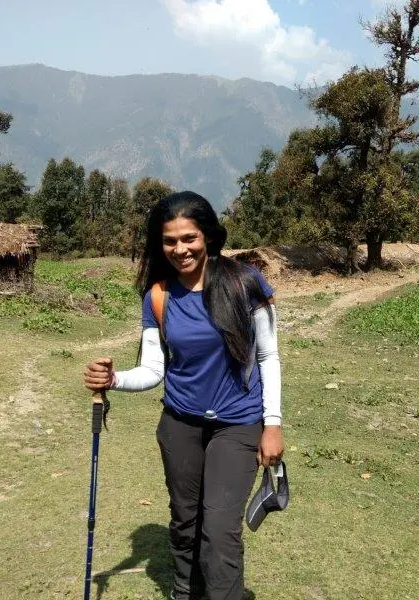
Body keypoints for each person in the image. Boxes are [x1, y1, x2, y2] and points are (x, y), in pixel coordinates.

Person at [83, 191, 284, 600]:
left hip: (238, 423)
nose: (180, 249)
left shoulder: (246, 283)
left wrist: (273, 425)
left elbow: (269, 355)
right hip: (180, 424)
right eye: (170, 241)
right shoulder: (157, 296)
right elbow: (155, 371)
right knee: (185, 520)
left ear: (208, 235)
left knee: (219, 528)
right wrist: (114, 379)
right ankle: (184, 591)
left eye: (189, 238)